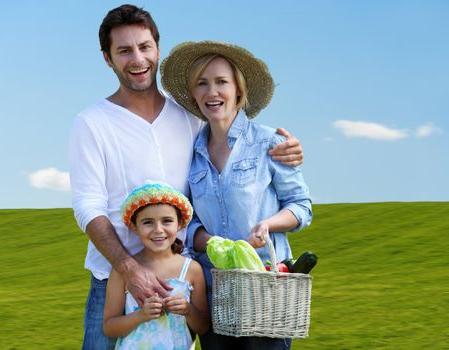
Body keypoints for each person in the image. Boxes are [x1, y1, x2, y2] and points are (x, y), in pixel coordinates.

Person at [68, 4, 305, 349]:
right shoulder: (92, 123)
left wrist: (289, 150)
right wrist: (130, 270)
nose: (137, 59)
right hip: (116, 277)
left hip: (183, 276)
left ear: (158, 49)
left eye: (145, 47)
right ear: (108, 58)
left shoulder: (190, 118)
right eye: (124, 51)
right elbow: (88, 206)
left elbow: (235, 145)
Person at [160, 41, 313, 349]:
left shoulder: (269, 142)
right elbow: (186, 219)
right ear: (193, 95)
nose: (211, 92)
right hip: (213, 288)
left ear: (239, 92)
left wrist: (267, 224)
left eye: (221, 82)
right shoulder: (190, 152)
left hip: (265, 286)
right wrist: (206, 240)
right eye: (202, 84)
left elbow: (301, 207)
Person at [103, 182, 209, 349]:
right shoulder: (123, 272)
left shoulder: (192, 270)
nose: (158, 230)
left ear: (179, 224)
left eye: (166, 221)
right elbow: (109, 327)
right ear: (134, 226)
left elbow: (203, 327)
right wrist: (141, 315)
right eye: (148, 222)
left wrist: (188, 310)